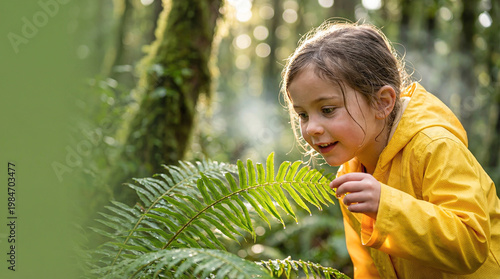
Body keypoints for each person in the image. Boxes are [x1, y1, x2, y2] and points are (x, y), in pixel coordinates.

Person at [281, 21, 500, 278]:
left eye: (327, 110)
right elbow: (368, 267)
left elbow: (471, 247)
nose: (312, 128)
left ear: (382, 103)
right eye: (303, 115)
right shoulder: (350, 172)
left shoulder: (435, 147)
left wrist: (386, 205)